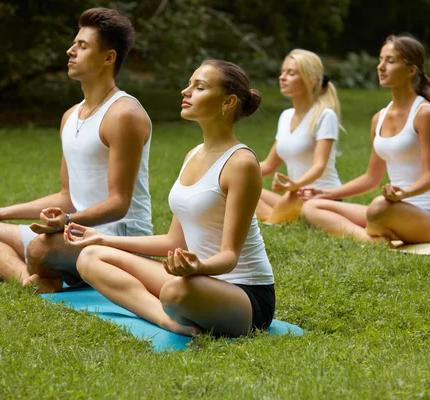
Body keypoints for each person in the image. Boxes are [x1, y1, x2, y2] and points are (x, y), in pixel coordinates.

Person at [0, 8, 153, 293]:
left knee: (42, 248)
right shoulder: (70, 116)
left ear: (108, 57)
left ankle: (48, 267)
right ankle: (30, 279)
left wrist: (66, 222)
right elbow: (67, 196)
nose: (70, 51)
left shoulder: (124, 114)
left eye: (82, 46)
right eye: (73, 44)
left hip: (116, 240)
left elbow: (119, 203)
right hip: (72, 232)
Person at [64, 60, 275, 337]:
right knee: (90, 257)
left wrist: (197, 267)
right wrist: (101, 238)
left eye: (199, 87)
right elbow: (173, 242)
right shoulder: (193, 155)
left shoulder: (242, 163)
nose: (185, 92)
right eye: (189, 84)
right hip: (196, 280)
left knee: (175, 291)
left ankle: (176, 308)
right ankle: (167, 321)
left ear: (228, 102)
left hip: (244, 295)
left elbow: (229, 257)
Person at [300, 34, 430, 244]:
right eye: (380, 59)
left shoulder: (424, 114)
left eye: (390, 61)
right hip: (392, 207)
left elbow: (429, 177)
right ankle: (370, 239)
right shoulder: (378, 118)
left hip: (429, 218)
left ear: (411, 70)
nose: (381, 67)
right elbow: (371, 178)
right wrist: (325, 193)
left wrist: (402, 194)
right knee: (312, 206)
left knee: (378, 207)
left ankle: (378, 229)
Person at [255, 49, 344, 225]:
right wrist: (230, 172)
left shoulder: (325, 115)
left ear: (310, 80)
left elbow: (319, 166)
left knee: (284, 203)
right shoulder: (286, 116)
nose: (282, 77)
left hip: (321, 197)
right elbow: (269, 165)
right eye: (282, 72)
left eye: (291, 73)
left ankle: (275, 220)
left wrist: (294, 185)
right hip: (294, 194)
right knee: (243, 191)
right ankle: (280, 217)